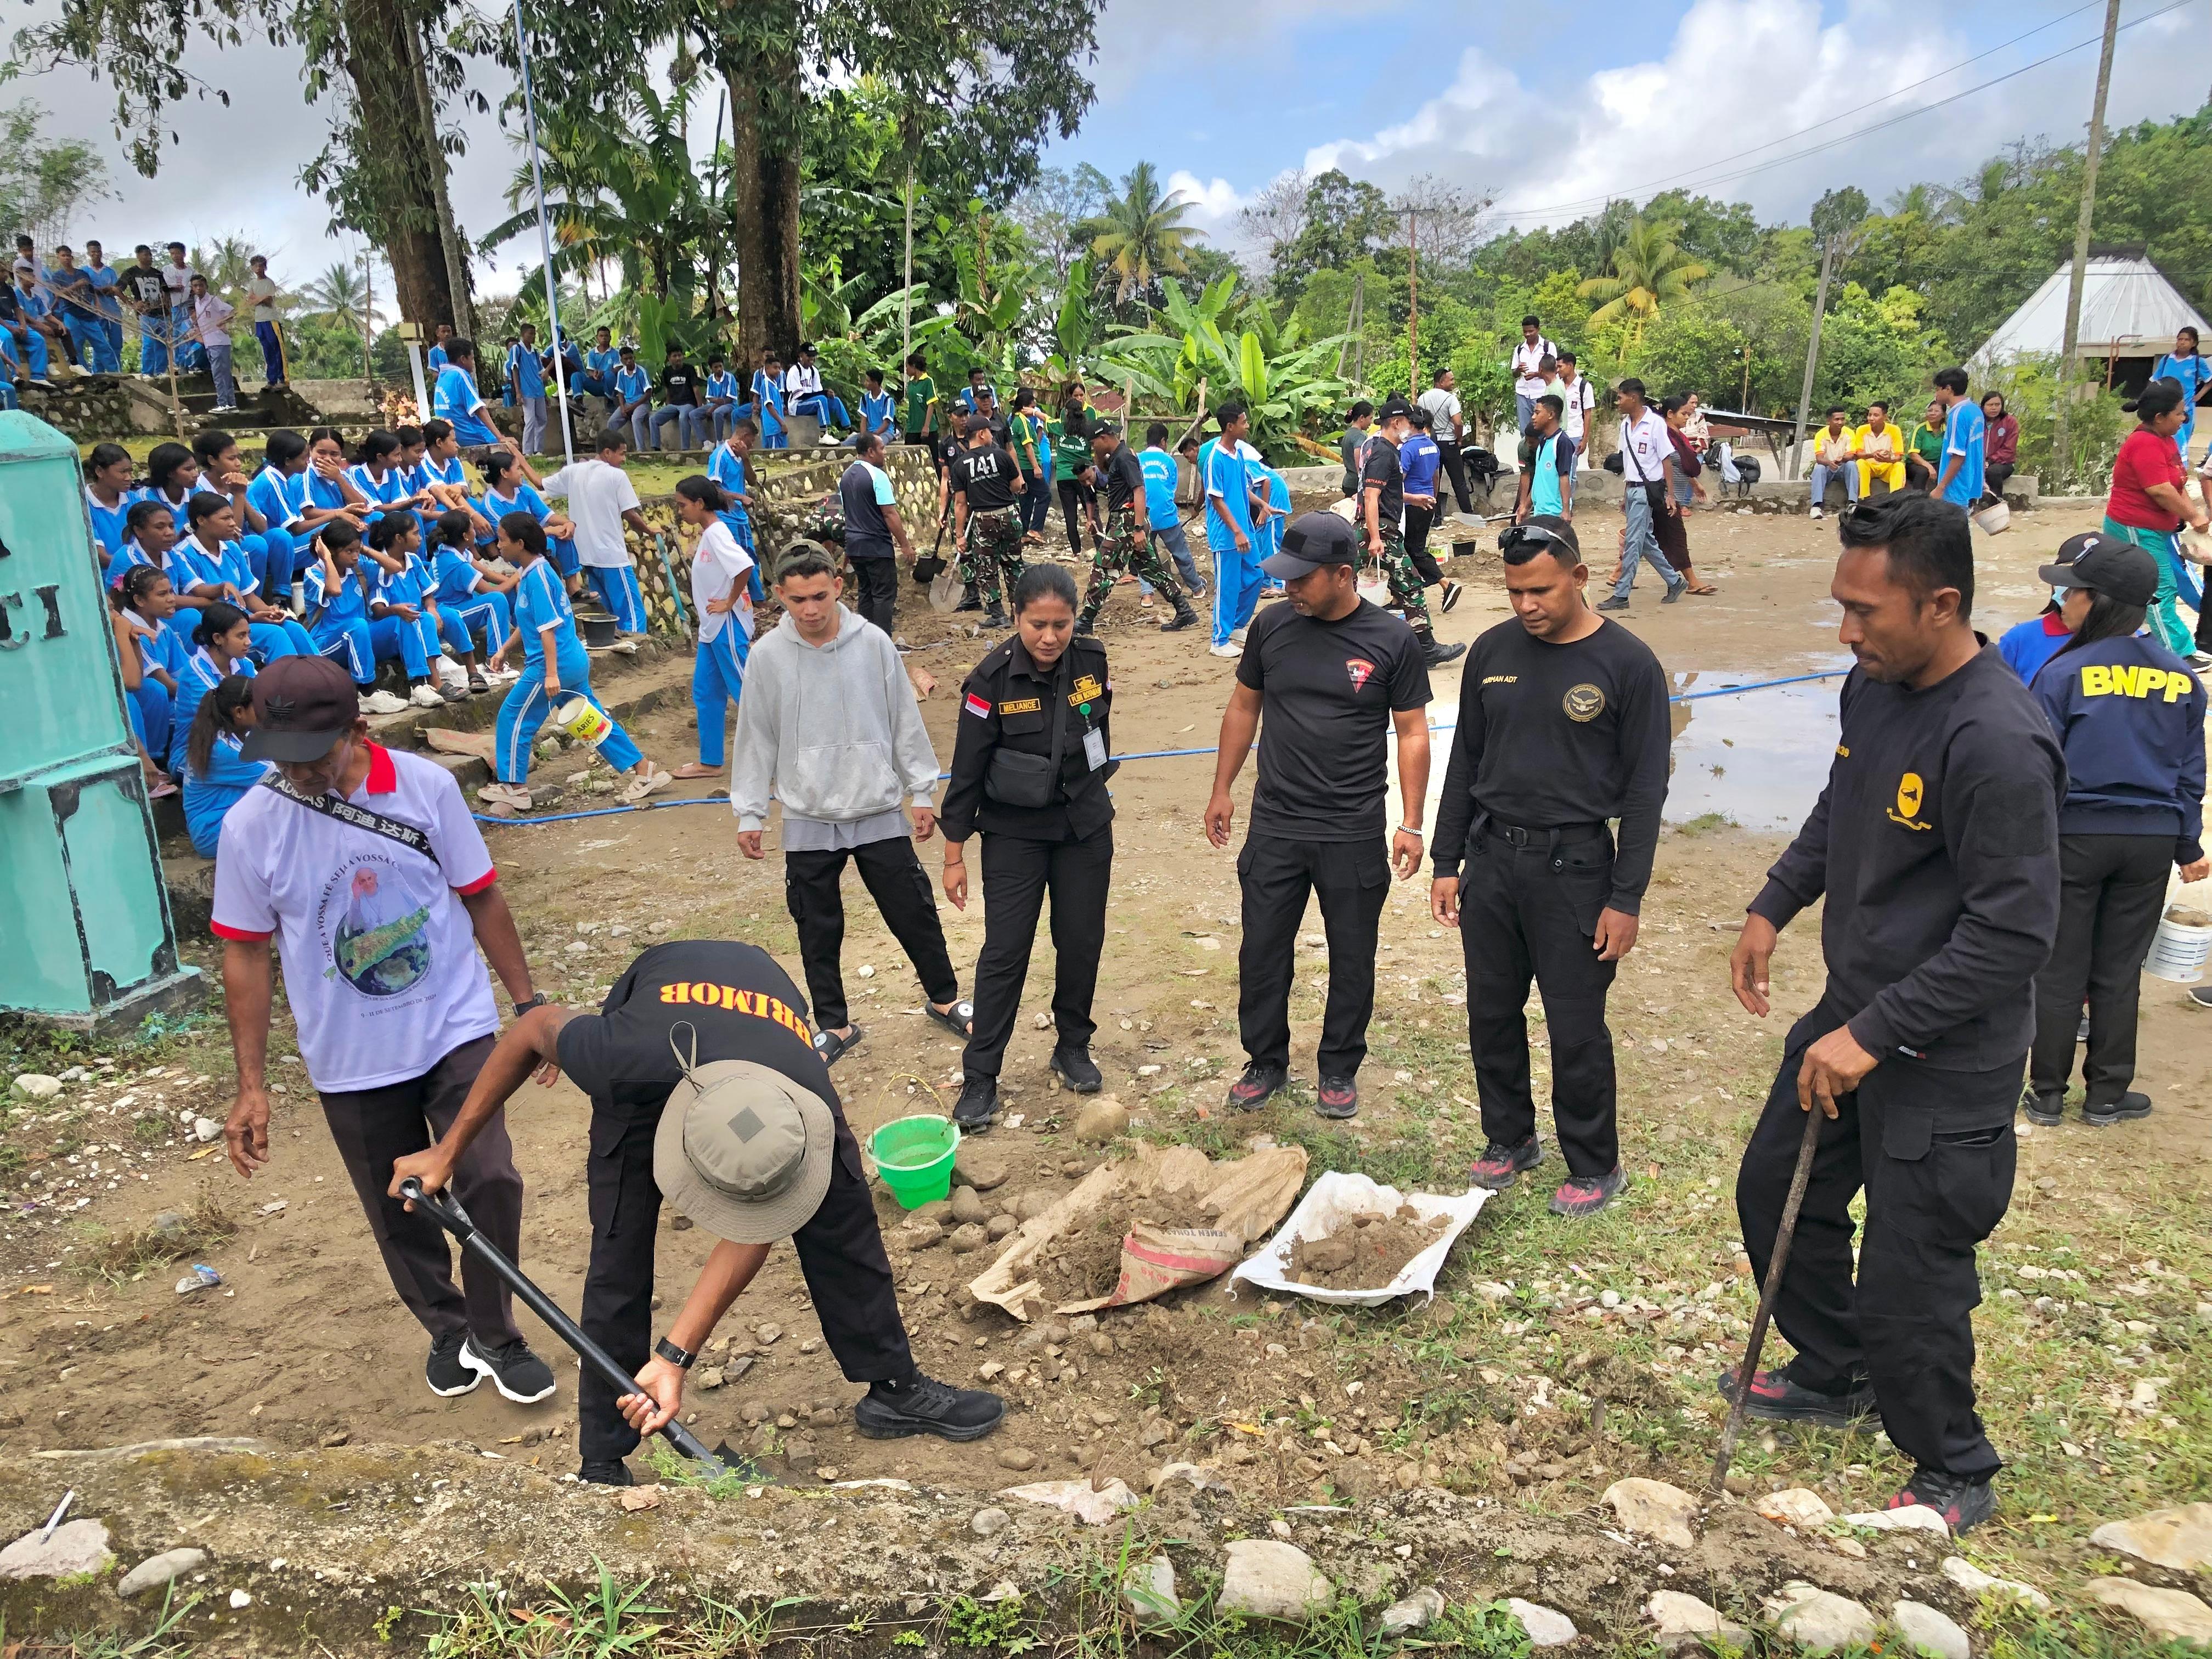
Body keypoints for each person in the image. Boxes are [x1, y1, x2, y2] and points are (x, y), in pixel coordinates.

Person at [1723, 490, 2063, 1534]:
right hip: (1851, 1007)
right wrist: (1773, 901)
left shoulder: (1998, 737)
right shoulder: (1873, 688)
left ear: (1942, 604)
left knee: (1913, 1274)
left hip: (1943, 1052)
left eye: (1866, 612)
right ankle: (1833, 1369)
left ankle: (1952, 1463)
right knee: (1775, 1184)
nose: (1845, 631)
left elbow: (2014, 935)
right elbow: (1841, 804)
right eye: (1841, 605)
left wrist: (1873, 1035)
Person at [386, 940, 1005, 1486]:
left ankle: (894, 1388)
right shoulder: (614, 1055)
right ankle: (603, 1457)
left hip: (761, 1015)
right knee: (619, 1251)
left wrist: (674, 1357)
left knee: (839, 1208)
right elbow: (531, 1029)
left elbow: (763, 1218)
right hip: (655, 1037)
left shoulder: (805, 1095)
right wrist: (447, 1152)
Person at [212, 654, 559, 1407]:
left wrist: (528, 1007)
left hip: (454, 1024)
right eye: (281, 758)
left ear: (358, 731)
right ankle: (446, 1325)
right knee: (395, 1203)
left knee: (489, 1175)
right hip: (349, 1053)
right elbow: (244, 952)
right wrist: (252, 1085)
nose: (296, 773)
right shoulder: (251, 828)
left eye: (312, 755)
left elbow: (482, 897)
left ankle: (497, 1334)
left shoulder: (426, 788)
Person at [1435, 515, 1670, 1217]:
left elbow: (1646, 795)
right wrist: (1448, 860)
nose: (1527, 606)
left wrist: (1625, 898)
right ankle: (1509, 1138)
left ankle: (1595, 1163)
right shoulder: (1491, 652)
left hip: (1577, 868)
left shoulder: (1628, 665)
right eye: (1514, 593)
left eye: (1540, 590)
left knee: (1575, 1025)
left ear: (1579, 577)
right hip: (1493, 860)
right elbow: (1465, 763)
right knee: (1492, 1012)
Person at [1204, 511, 1432, 1120]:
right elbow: (1242, 708)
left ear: (1343, 574)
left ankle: (1339, 1067)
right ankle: (1266, 1062)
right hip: (1276, 822)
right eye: (1286, 577)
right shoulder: (1271, 627)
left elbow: (1411, 733)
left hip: (1352, 828)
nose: (1289, 589)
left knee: (1352, 953)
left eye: (1302, 579)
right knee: (1262, 952)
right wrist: (1222, 787)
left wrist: (1411, 822)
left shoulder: (1391, 640)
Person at [728, 547, 971, 1067]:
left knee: (913, 909)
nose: (810, 609)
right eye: (797, 600)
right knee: (817, 925)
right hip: (807, 813)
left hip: (876, 804)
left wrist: (921, 792)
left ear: (839, 585)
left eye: (819, 596)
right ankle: (834, 1024)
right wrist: (751, 812)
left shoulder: (874, 645)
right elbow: (754, 738)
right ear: (779, 597)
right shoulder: (767, 657)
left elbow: (903, 719)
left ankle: (945, 997)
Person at [2020, 537, 2207, 1127]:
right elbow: (2189, 772)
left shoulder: (2062, 673)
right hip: (2149, 841)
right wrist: (2188, 844)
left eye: (2071, 592)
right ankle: (2106, 1095)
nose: (2062, 602)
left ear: (2098, 602)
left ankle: (2046, 1094)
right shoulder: (2182, 679)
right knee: (2119, 970)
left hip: (2075, 834)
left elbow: (2035, 766)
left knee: (2059, 966)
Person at [931, 563, 1117, 1125]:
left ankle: (1072, 1047)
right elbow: (966, 774)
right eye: (1038, 624)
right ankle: (981, 1076)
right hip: (1015, 834)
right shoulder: (989, 681)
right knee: (1005, 952)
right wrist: (954, 854)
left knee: (1081, 940)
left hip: (1084, 828)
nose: (1050, 637)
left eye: (1062, 624)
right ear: (1016, 618)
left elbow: (1100, 734)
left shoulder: (1093, 661)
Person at [481, 513, 667, 811]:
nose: (497, 545)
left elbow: (548, 629)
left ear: (520, 543)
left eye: (502, 539)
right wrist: (504, 649)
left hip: (551, 666)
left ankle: (515, 788)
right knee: (592, 723)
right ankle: (644, 771)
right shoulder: (532, 574)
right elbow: (532, 622)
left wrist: (551, 675)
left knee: (513, 718)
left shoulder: (538, 576)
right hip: (571, 662)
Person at [2100, 379, 2209, 660]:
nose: (2184, 418)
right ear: (2160, 417)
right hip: (2135, 527)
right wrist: (2195, 515)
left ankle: (2120, 636)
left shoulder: (2167, 440)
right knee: (2160, 587)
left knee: (2132, 585)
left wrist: (2185, 515)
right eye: (2179, 413)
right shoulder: (2144, 443)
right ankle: (2178, 653)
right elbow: (2159, 490)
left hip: (2156, 528)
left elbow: (2177, 482)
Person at [1362, 397, 1463, 667]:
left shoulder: (1382, 449)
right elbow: (1371, 497)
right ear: (1396, 423)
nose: (1413, 427)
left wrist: (1413, 499)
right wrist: (1374, 537)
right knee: (1410, 587)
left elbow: (1386, 492)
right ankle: (1427, 649)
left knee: (1378, 588)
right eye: (1408, 421)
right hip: (1382, 529)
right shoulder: (1384, 453)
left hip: (1381, 526)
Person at [670, 476, 755, 782]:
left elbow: (745, 566)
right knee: (706, 692)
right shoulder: (710, 534)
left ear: (699, 504)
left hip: (727, 625)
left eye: (683, 505)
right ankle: (710, 761)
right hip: (711, 628)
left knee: (747, 692)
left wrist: (729, 601)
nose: (680, 511)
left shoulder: (718, 533)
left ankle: (786, 753)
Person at [1077, 422, 1198, 636]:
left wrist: (1139, 528)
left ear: (1104, 438)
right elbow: (1104, 471)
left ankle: (1086, 618)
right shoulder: (1117, 457)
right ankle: (1183, 609)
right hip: (1125, 521)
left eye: (1094, 443)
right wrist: (1098, 456)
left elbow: (1139, 490)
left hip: (1127, 521)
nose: (1093, 447)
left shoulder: (1124, 458)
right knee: (1151, 569)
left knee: (1103, 568)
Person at [540, 430, 650, 633]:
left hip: (587, 556)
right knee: (632, 612)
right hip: (612, 556)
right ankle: (638, 647)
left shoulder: (574, 471)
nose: (624, 459)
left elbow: (541, 484)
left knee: (608, 611)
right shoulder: (617, 476)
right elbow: (630, 514)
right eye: (622, 454)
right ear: (607, 453)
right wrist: (650, 530)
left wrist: (518, 456)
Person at [1595, 378, 1685, 612]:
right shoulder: (1625, 426)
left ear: (1633, 398)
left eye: (1621, 397)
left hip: (1648, 491)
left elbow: (1667, 459)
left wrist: (1671, 495)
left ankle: (1621, 594)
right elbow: (1628, 462)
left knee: (1634, 542)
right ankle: (1675, 581)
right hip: (1633, 489)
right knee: (1643, 540)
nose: (1618, 402)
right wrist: (1626, 495)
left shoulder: (1655, 423)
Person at [302, 523, 408, 713]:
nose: (355, 556)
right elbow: (334, 590)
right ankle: (366, 693)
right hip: (327, 644)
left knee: (401, 620)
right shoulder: (314, 573)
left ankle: (419, 683)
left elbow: (395, 567)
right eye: (349, 551)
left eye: (356, 550)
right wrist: (326, 558)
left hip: (361, 636)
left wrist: (364, 549)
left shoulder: (358, 568)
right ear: (331, 551)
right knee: (357, 626)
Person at [1202, 403, 1274, 659]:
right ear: (1230, 426)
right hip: (1227, 534)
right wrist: (1236, 531)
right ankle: (1219, 638)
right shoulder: (1215, 458)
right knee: (1228, 585)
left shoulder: (1238, 454)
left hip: (1244, 529)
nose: (1246, 426)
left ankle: (1236, 626)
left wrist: (1262, 504)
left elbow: (1241, 489)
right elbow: (1217, 499)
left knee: (1256, 575)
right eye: (1243, 422)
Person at [949, 413, 1028, 629]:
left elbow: (960, 503)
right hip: (1009, 515)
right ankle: (1019, 611)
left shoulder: (959, 466)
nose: (993, 436)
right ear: (981, 434)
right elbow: (1016, 486)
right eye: (990, 432)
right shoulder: (1002, 456)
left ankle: (997, 614)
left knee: (986, 568)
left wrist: (959, 534)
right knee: (1014, 564)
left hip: (984, 521)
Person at [427, 510, 513, 693]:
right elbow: (491, 591)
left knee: (504, 591)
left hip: (457, 607)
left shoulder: (456, 551)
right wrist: (518, 577)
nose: (476, 532)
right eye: (473, 528)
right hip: (448, 615)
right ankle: (495, 662)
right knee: (496, 601)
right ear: (466, 536)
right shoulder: (455, 563)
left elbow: (487, 573)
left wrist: (513, 579)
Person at [839, 431, 915, 636]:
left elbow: (849, 513)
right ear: (871, 452)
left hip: (855, 547)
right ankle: (883, 641)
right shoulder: (877, 476)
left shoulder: (845, 477)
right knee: (883, 595)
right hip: (876, 546)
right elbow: (889, 514)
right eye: (882, 449)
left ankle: (865, 638)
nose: (885, 453)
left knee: (866, 593)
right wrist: (905, 545)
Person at [182, 672, 266, 856]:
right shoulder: (223, 750)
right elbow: (276, 776)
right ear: (239, 712)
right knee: (282, 796)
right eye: (258, 706)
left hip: (214, 826)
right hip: (214, 833)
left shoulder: (224, 737)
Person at [1400, 408, 1461, 611]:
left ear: (1411, 425)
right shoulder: (1433, 447)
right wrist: (1433, 499)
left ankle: (1445, 584)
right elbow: (1436, 477)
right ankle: (1416, 588)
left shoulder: (1408, 449)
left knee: (1411, 550)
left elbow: (1400, 480)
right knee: (1416, 547)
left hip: (1412, 504)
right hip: (1428, 502)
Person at [1140, 422, 1205, 599]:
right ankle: (1197, 589)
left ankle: (1147, 595)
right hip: (1166, 516)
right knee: (1181, 553)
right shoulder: (1169, 461)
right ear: (1163, 442)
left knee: (1145, 556)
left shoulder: (1137, 459)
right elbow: (1171, 489)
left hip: (1143, 516)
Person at [1513, 394, 1577, 526]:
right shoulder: (1543, 443)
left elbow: (1564, 477)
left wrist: (1566, 511)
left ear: (1551, 415)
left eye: (1537, 413)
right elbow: (1538, 480)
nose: (1533, 417)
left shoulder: (1562, 442)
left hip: (1555, 514)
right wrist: (1526, 505)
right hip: (1540, 513)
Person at [432, 338, 505, 450]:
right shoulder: (460, 374)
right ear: (463, 359)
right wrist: (500, 438)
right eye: (471, 359)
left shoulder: (442, 376)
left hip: (452, 436)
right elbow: (479, 409)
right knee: (509, 450)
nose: (473, 363)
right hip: (473, 436)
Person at [1419, 369, 1474, 515]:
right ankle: (1467, 513)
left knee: (1433, 480)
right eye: (1451, 380)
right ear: (1441, 382)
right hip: (1449, 443)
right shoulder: (1451, 399)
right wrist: (1459, 438)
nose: (1453, 382)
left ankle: (1435, 516)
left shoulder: (1422, 398)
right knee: (1458, 480)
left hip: (1430, 442)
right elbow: (1458, 422)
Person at [2151, 326, 2209, 464]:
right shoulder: (2166, 360)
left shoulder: (2197, 362)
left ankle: (2179, 471)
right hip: (2164, 408)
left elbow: (2209, 381)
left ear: (2194, 343)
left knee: (2180, 442)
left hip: (2185, 410)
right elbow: (2154, 381)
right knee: (2162, 438)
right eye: (2180, 339)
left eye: (2186, 340)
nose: (2182, 342)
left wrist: (2199, 396)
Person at [1930, 367, 1984, 511]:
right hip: (1971, 480)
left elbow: (1958, 455)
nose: (1936, 394)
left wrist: (1941, 487)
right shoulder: (1975, 411)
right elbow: (1977, 449)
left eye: (1938, 389)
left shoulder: (1957, 415)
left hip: (1956, 484)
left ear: (1948, 389)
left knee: (1953, 526)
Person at [1049, 391, 1096, 557]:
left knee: (1070, 516)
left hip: (1063, 477)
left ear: (1066, 413)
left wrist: (1033, 412)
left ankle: (1076, 553)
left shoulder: (1059, 428)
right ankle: (1101, 548)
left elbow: (1045, 419)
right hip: (1084, 477)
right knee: (1092, 511)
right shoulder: (1088, 431)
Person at [185, 275, 240, 412]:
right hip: (209, 343)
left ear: (206, 286)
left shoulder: (213, 300)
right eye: (195, 286)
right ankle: (230, 403)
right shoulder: (198, 303)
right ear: (192, 288)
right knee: (223, 374)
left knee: (220, 374)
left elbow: (232, 311)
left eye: (201, 285)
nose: (198, 288)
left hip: (219, 342)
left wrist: (223, 322)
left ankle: (223, 403)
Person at [82, 442, 138, 577]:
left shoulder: (135, 500)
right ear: (100, 472)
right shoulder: (82, 505)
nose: (129, 478)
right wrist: (140, 567)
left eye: (130, 471)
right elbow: (101, 558)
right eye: (123, 472)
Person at [1009, 387, 1052, 544]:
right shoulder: (1023, 423)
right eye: (1033, 407)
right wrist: (1036, 467)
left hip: (1023, 466)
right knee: (1045, 495)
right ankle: (1035, 529)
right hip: (1028, 466)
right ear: (1025, 407)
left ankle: (1024, 531)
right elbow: (1028, 446)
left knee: (1027, 500)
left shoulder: (1015, 421)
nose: (1034, 410)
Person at [124, 245, 170, 377]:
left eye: (150, 255)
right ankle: (147, 373)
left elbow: (165, 291)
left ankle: (161, 371)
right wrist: (132, 305)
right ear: (138, 256)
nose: (149, 258)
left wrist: (167, 306)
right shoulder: (131, 273)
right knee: (149, 344)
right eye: (146, 255)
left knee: (163, 344)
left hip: (162, 313)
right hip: (146, 314)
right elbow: (117, 289)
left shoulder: (157, 273)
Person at [1808, 408, 1861, 518]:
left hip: (1843, 468)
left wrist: (1841, 459)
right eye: (1837, 419)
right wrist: (1829, 462)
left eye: (1842, 419)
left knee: (1852, 465)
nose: (1840, 422)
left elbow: (1851, 455)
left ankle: (1852, 504)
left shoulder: (1849, 433)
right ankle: (1816, 507)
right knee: (1819, 468)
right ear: (1829, 421)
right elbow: (1819, 458)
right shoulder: (1821, 434)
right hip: (1828, 469)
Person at [82, 240, 125, 374]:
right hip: (96, 311)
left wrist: (101, 289)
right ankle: (98, 373)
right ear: (89, 253)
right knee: (99, 344)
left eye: (98, 251)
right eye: (93, 252)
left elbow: (115, 289)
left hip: (113, 310)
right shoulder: (84, 271)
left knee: (116, 343)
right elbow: (87, 290)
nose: (96, 254)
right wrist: (103, 289)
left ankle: (117, 372)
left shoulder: (110, 271)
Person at [1554, 354, 1597, 488]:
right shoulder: (1557, 385)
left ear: (1570, 366)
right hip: (1557, 434)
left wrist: (1584, 440)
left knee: (1570, 472)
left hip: (1574, 435)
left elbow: (1588, 414)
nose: (1558, 370)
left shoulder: (1584, 387)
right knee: (1556, 472)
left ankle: (1568, 505)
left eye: (1560, 367)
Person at [785, 343, 848, 432]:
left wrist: (826, 393)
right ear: (801, 356)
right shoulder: (795, 371)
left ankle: (848, 429)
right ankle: (824, 433)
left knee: (835, 401)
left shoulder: (814, 371)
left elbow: (818, 392)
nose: (812, 358)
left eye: (814, 356)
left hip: (811, 403)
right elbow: (800, 396)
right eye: (809, 355)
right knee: (821, 400)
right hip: (797, 405)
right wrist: (823, 393)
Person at [506, 324, 549, 455]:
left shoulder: (535, 352)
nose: (533, 336)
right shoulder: (517, 349)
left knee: (542, 419)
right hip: (527, 391)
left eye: (534, 333)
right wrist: (518, 392)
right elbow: (515, 369)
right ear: (523, 334)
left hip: (538, 390)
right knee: (530, 420)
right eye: (530, 333)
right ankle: (527, 451)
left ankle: (538, 450)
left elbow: (540, 371)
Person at [245, 255, 285, 389]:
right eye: (255, 266)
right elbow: (250, 301)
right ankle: (271, 380)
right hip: (259, 320)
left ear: (265, 267)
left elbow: (269, 301)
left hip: (271, 320)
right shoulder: (252, 284)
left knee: (277, 349)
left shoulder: (269, 283)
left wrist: (258, 299)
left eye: (260, 265)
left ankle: (282, 378)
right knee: (267, 350)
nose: (258, 268)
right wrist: (259, 299)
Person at [1511, 315, 1557, 432]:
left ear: (1538, 330)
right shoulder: (1519, 349)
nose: (1527, 334)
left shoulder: (1548, 347)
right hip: (1523, 393)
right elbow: (1514, 374)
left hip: (1541, 393)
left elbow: (1554, 371)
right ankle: (1527, 451)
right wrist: (1518, 370)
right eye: (1525, 332)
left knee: (1542, 429)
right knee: (1525, 430)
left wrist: (1536, 374)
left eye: (1531, 331)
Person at [1854, 402, 1907, 500]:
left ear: (1885, 417)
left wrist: (1889, 459)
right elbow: (1858, 454)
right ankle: (1864, 498)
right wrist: (1872, 455)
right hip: (1870, 466)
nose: (1871, 418)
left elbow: (1898, 456)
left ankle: (1896, 500)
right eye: (1870, 415)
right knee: (1860, 463)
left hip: (1887, 467)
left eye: (1876, 415)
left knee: (1899, 466)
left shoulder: (1894, 430)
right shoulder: (1861, 430)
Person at [607, 348, 652, 449]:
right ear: (622, 361)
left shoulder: (642, 372)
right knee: (611, 422)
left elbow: (648, 393)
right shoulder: (621, 373)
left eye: (630, 358)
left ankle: (641, 451)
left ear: (634, 358)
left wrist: (632, 407)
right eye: (626, 359)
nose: (629, 361)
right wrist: (623, 408)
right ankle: (615, 449)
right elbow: (620, 392)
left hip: (642, 404)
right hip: (628, 404)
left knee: (636, 419)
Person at [1979, 392, 2017, 505]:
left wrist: (1990, 461)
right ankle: (1971, 505)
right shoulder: (1977, 421)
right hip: (1979, 462)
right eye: (1990, 405)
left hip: (2003, 463)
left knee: (1993, 472)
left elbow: (2009, 449)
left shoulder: (2010, 422)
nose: (1994, 408)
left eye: (1997, 404)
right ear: (1983, 406)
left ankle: (1996, 503)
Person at [751, 352, 788, 450]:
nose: (778, 371)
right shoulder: (766, 384)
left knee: (782, 454)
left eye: (779, 368)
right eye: (775, 368)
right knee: (774, 455)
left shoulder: (775, 384)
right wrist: (782, 423)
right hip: (773, 428)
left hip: (778, 427)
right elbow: (769, 406)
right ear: (767, 369)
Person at [1339, 400, 1375, 499]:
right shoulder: (1360, 436)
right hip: (1355, 484)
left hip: (1348, 482)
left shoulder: (1349, 433)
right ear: (1362, 418)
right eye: (1370, 418)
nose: (1371, 422)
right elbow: (1359, 459)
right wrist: (1363, 481)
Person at [1907, 400, 1945, 489]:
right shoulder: (1920, 429)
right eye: (1930, 411)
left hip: (1938, 462)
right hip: (1917, 464)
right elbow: (1913, 455)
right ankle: (1918, 499)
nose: (1932, 413)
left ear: (1943, 415)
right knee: (1923, 472)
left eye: (1936, 411)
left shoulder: (1947, 431)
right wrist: (1929, 467)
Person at [901, 352, 936, 448]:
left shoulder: (928, 382)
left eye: (907, 366)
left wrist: (926, 426)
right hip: (912, 428)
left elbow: (931, 404)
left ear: (914, 366)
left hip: (927, 429)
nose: (906, 370)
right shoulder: (911, 384)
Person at [858, 368, 897, 446]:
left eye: (868, 381)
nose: (865, 383)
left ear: (875, 384)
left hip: (885, 432)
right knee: (847, 444)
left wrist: (875, 434)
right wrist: (863, 437)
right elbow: (863, 420)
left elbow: (886, 423)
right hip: (869, 433)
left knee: (877, 444)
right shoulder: (864, 399)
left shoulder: (887, 399)